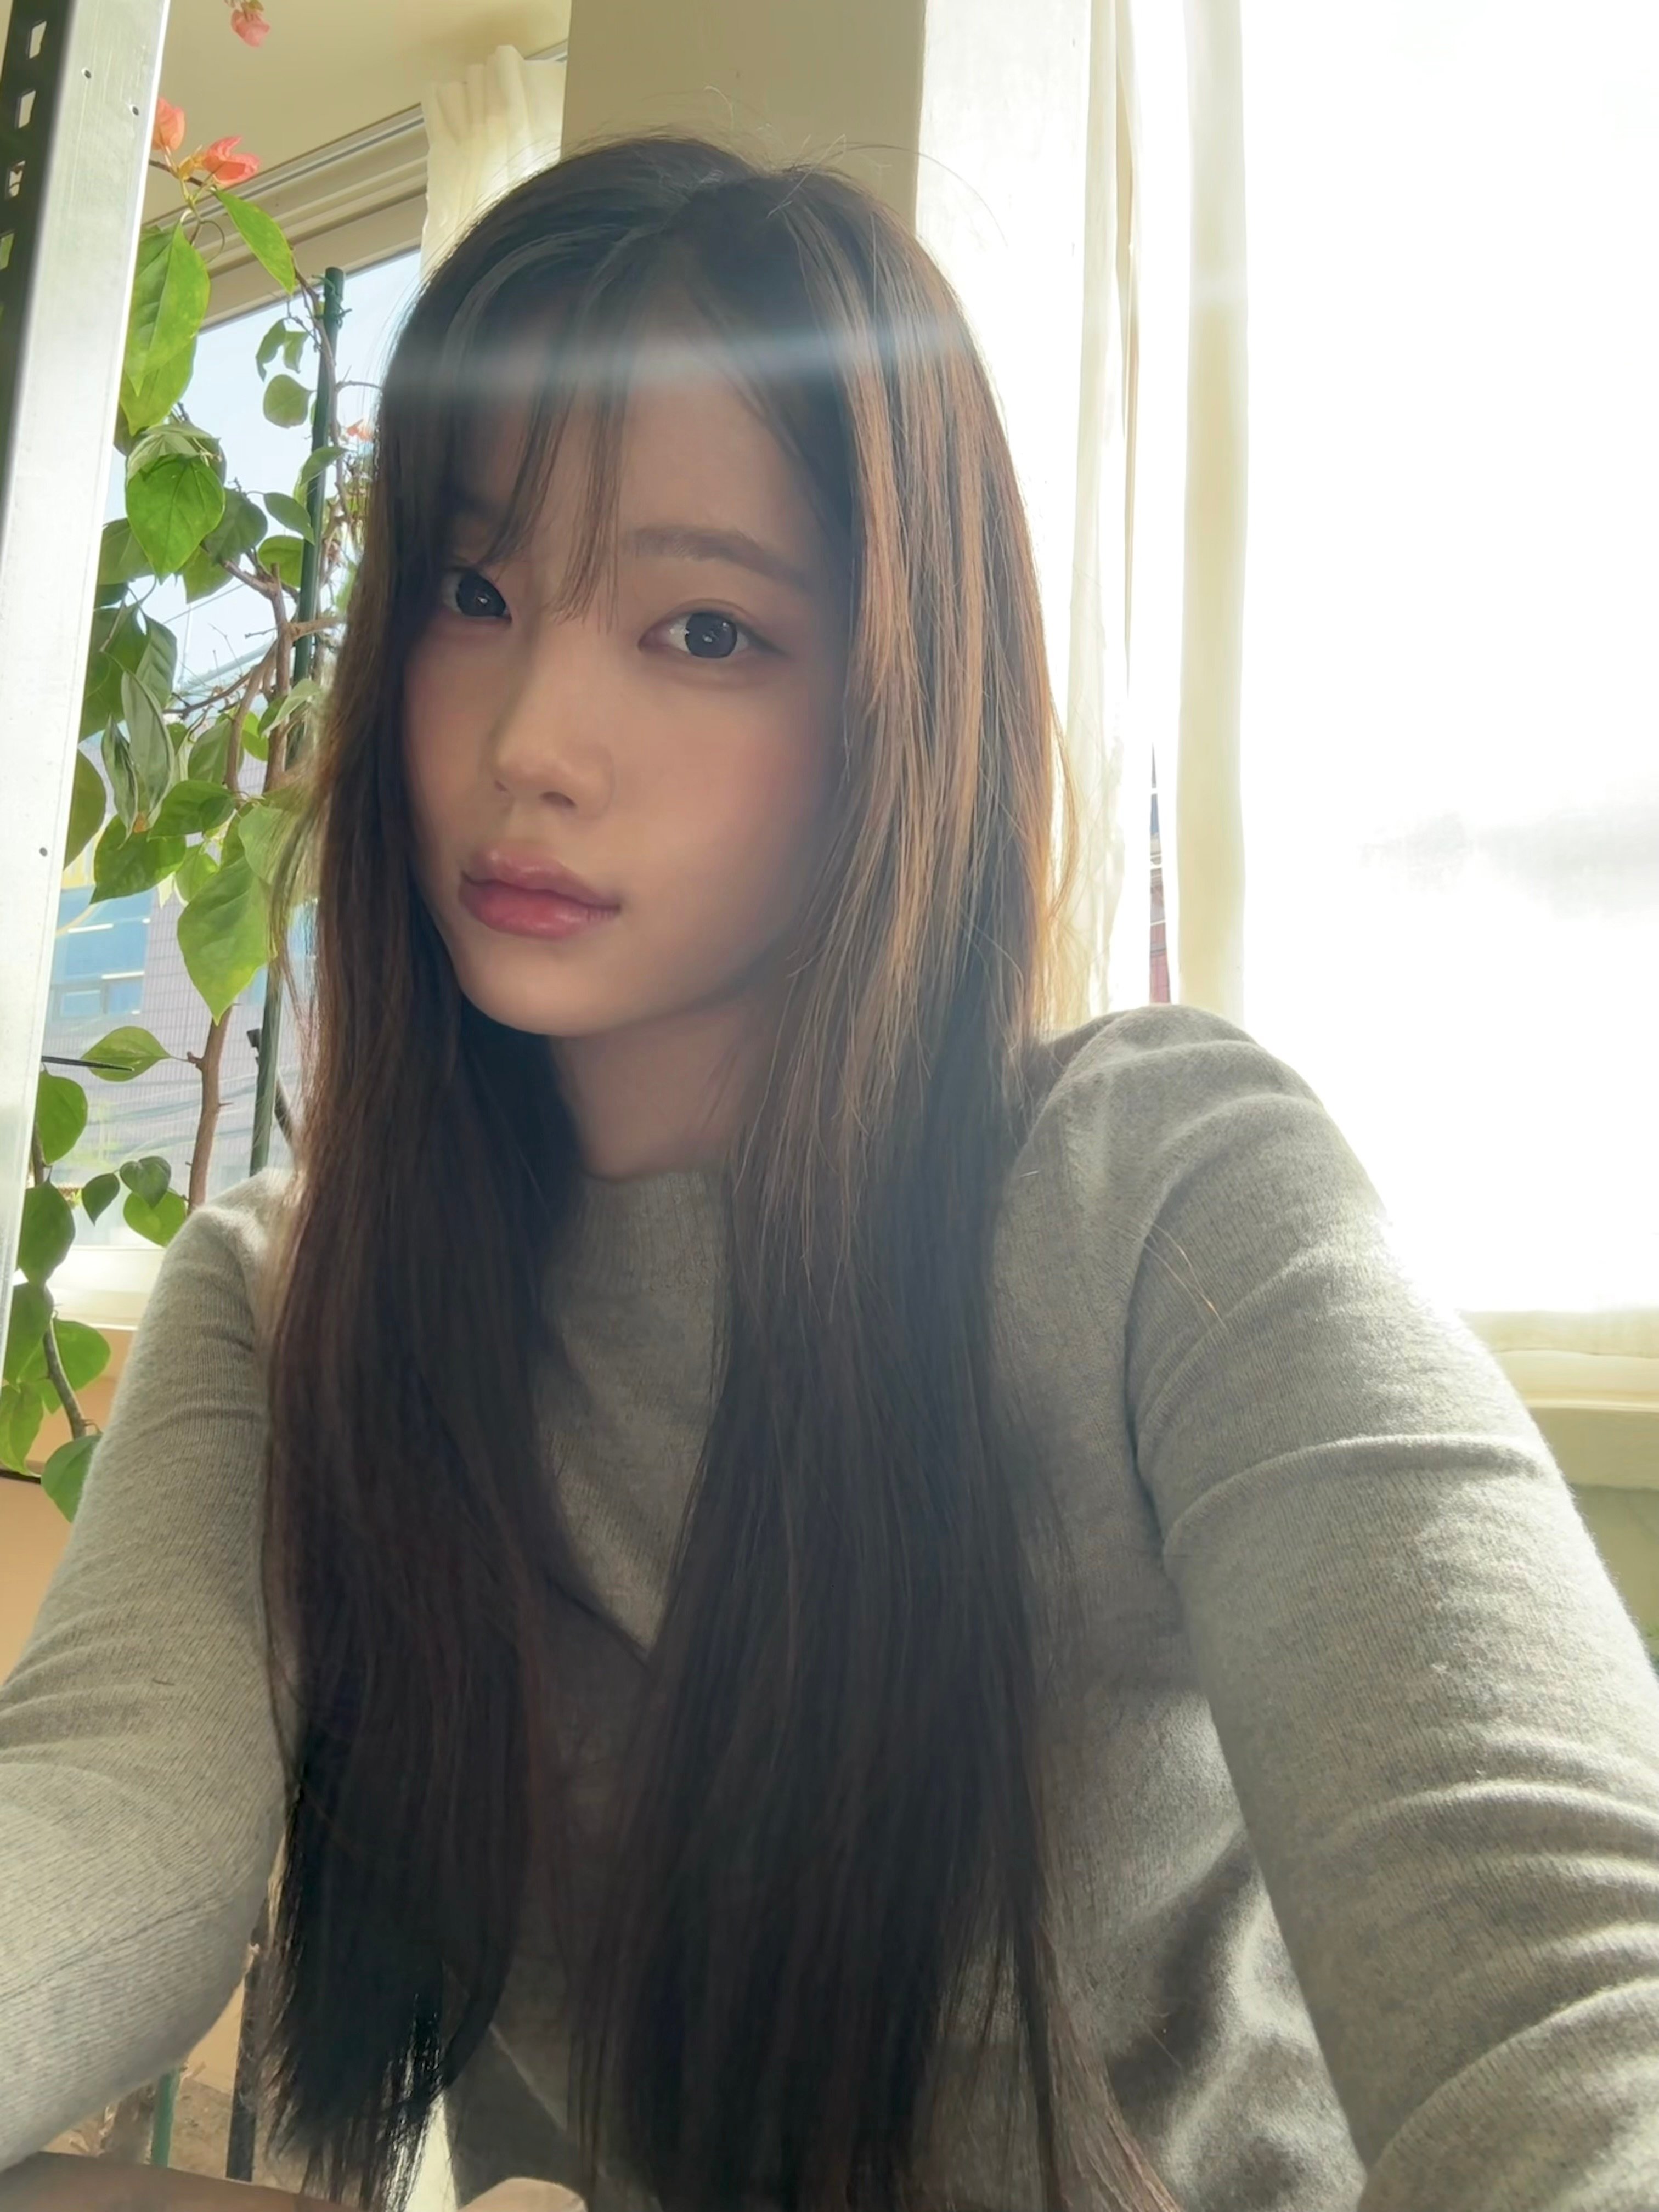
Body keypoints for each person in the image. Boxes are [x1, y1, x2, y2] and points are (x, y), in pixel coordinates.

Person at [3, 133, 1658, 2212]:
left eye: (704, 630)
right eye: (473, 594)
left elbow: (1570, 1987)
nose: (531, 742)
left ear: (900, 701)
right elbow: (107, 1821)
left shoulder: (1154, 1193)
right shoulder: (293, 1296)